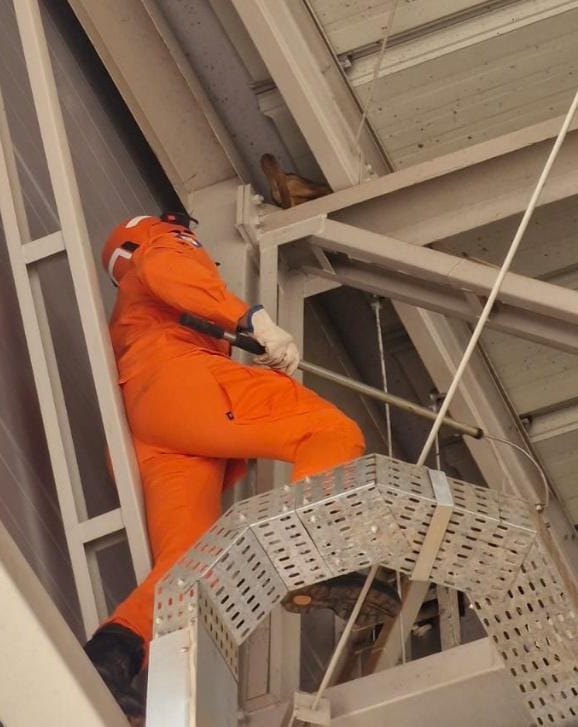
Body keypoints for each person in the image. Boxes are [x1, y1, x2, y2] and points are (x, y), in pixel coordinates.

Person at [84, 212, 385, 723]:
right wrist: (254, 321)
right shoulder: (162, 247)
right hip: (180, 384)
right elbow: (169, 269)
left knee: (192, 566)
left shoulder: (136, 312)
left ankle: (110, 659)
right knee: (329, 430)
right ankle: (312, 553)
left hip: (157, 424)